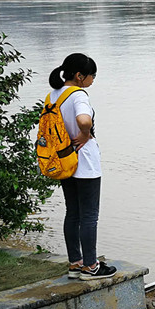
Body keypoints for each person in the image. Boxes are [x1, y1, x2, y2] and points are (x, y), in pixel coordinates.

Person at [48, 53, 116, 280]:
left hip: (64, 161)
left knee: (73, 213)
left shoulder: (53, 95)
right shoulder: (78, 95)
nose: (93, 80)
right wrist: (85, 134)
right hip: (84, 163)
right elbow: (84, 120)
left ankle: (75, 263)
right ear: (79, 75)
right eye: (92, 75)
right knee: (89, 216)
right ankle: (91, 266)